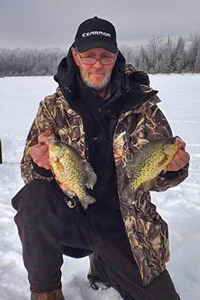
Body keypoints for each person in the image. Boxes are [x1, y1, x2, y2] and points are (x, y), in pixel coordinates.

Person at [12, 16, 190, 300]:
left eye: (105, 56)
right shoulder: (52, 107)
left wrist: (171, 170)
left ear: (116, 55)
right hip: (72, 213)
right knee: (33, 198)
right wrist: (39, 164)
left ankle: (105, 264)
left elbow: (158, 174)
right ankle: (45, 291)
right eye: (89, 55)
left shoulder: (143, 107)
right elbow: (28, 171)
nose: (97, 63)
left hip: (125, 222)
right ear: (75, 55)